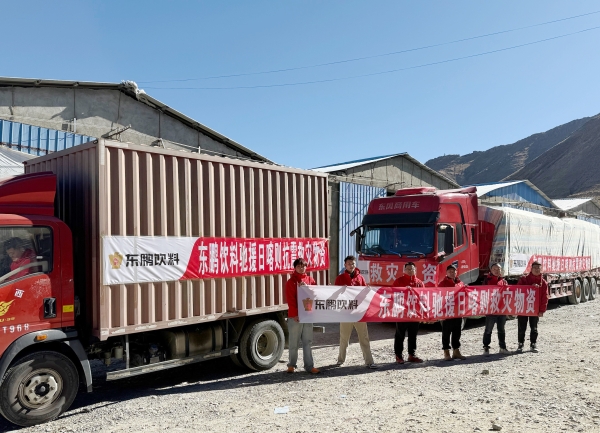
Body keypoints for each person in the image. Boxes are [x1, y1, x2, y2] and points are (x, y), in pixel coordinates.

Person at [335, 256, 377, 369]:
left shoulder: (360, 278)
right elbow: (334, 295)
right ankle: (340, 360)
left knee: (364, 338)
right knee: (344, 338)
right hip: (345, 313)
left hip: (359, 313)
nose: (351, 265)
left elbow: (365, 294)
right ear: (345, 265)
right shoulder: (340, 278)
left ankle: (369, 361)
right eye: (349, 263)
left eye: (353, 263)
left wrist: (368, 289)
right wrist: (340, 290)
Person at [285, 257, 320, 374]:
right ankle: (291, 365)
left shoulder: (310, 280)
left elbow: (316, 295)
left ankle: (309, 366)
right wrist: (295, 314)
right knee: (293, 342)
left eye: (304, 266)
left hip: (308, 315)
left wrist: (307, 288)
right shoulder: (291, 282)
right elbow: (291, 300)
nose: (302, 268)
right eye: (299, 266)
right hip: (295, 316)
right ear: (295, 268)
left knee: (308, 341)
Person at [391, 262, 424, 364]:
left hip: (414, 313)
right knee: (400, 335)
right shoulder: (398, 281)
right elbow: (393, 294)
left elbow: (423, 298)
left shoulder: (419, 283)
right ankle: (398, 355)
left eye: (412, 269)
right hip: (402, 313)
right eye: (408, 269)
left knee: (413, 335)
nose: (410, 271)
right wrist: (403, 290)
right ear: (404, 270)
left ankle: (412, 354)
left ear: (415, 270)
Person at [516, 260, 548, 353]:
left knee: (534, 328)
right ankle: (520, 344)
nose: (537, 270)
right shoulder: (524, 279)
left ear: (541, 269)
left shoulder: (543, 283)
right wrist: (530, 286)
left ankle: (533, 344)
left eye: (539, 268)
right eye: (535, 268)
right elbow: (518, 290)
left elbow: (544, 297)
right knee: (522, 327)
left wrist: (542, 310)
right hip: (523, 307)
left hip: (535, 309)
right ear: (531, 269)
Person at [438, 264, 467, 361]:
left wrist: (466, 289)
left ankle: (456, 351)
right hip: (447, 312)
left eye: (453, 271)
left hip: (458, 312)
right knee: (446, 332)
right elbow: (438, 296)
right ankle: (446, 351)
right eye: (450, 271)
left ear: (456, 272)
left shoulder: (460, 283)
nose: (452, 272)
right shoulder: (442, 284)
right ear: (446, 273)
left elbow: (465, 296)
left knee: (457, 332)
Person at [482, 263, 509, 355]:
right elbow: (482, 293)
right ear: (491, 270)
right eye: (494, 269)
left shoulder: (504, 281)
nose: (497, 271)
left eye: (498, 269)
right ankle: (486, 347)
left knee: (501, 329)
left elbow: (508, 294)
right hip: (491, 309)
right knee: (488, 329)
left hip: (501, 309)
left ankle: (502, 347)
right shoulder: (487, 280)